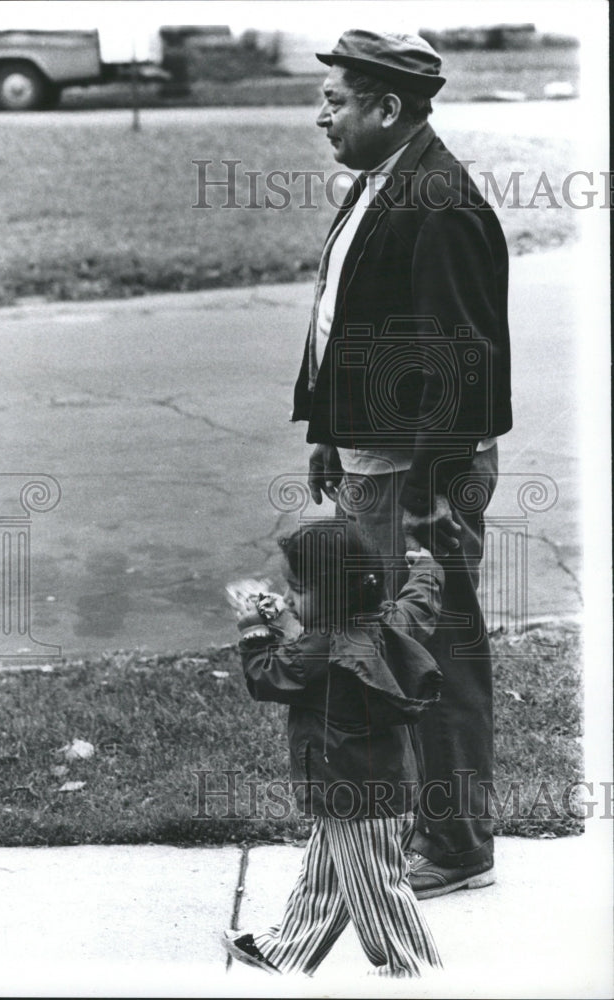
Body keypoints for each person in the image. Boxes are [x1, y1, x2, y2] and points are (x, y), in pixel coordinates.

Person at [290, 30, 512, 897]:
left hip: (417, 477)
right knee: (392, 647)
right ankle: (430, 825)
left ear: (387, 107)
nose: (321, 116)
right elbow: (344, 318)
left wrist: (428, 507)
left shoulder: (438, 200)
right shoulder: (381, 183)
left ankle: (457, 847)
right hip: (370, 459)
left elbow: (463, 366)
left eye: (336, 100)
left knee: (439, 652)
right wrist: (325, 427)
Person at [223, 521, 444, 977]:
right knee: (327, 875)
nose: (291, 597)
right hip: (379, 785)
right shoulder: (386, 622)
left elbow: (267, 675)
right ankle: (288, 950)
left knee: (377, 890)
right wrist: (425, 565)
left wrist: (253, 627)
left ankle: (415, 972)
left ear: (338, 593)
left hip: (352, 793)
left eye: (298, 589)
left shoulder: (322, 652)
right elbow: (420, 603)